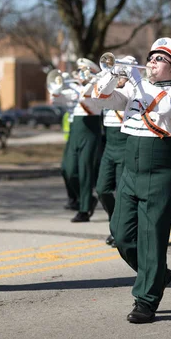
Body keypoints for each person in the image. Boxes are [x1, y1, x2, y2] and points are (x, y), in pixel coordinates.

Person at [90, 37, 171, 323]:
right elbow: (98, 99)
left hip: (160, 173)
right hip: (130, 171)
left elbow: (166, 108)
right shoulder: (136, 91)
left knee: (152, 240)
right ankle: (156, 274)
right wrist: (111, 75)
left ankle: (145, 300)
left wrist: (137, 82)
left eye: (159, 59)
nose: (151, 63)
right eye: (150, 58)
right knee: (121, 234)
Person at [52, 59, 102, 222]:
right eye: (80, 71)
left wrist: (90, 81)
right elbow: (56, 99)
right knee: (68, 169)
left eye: (84, 71)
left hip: (89, 129)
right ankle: (84, 198)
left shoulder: (97, 89)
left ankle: (85, 208)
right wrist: (59, 87)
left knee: (85, 170)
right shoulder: (73, 88)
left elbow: (88, 100)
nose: (80, 74)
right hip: (75, 131)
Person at [95, 60, 134, 246]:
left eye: (122, 74)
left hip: (125, 143)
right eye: (117, 74)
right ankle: (116, 222)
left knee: (122, 193)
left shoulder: (133, 92)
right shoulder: (110, 90)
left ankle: (121, 229)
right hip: (110, 145)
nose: (119, 78)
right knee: (102, 189)